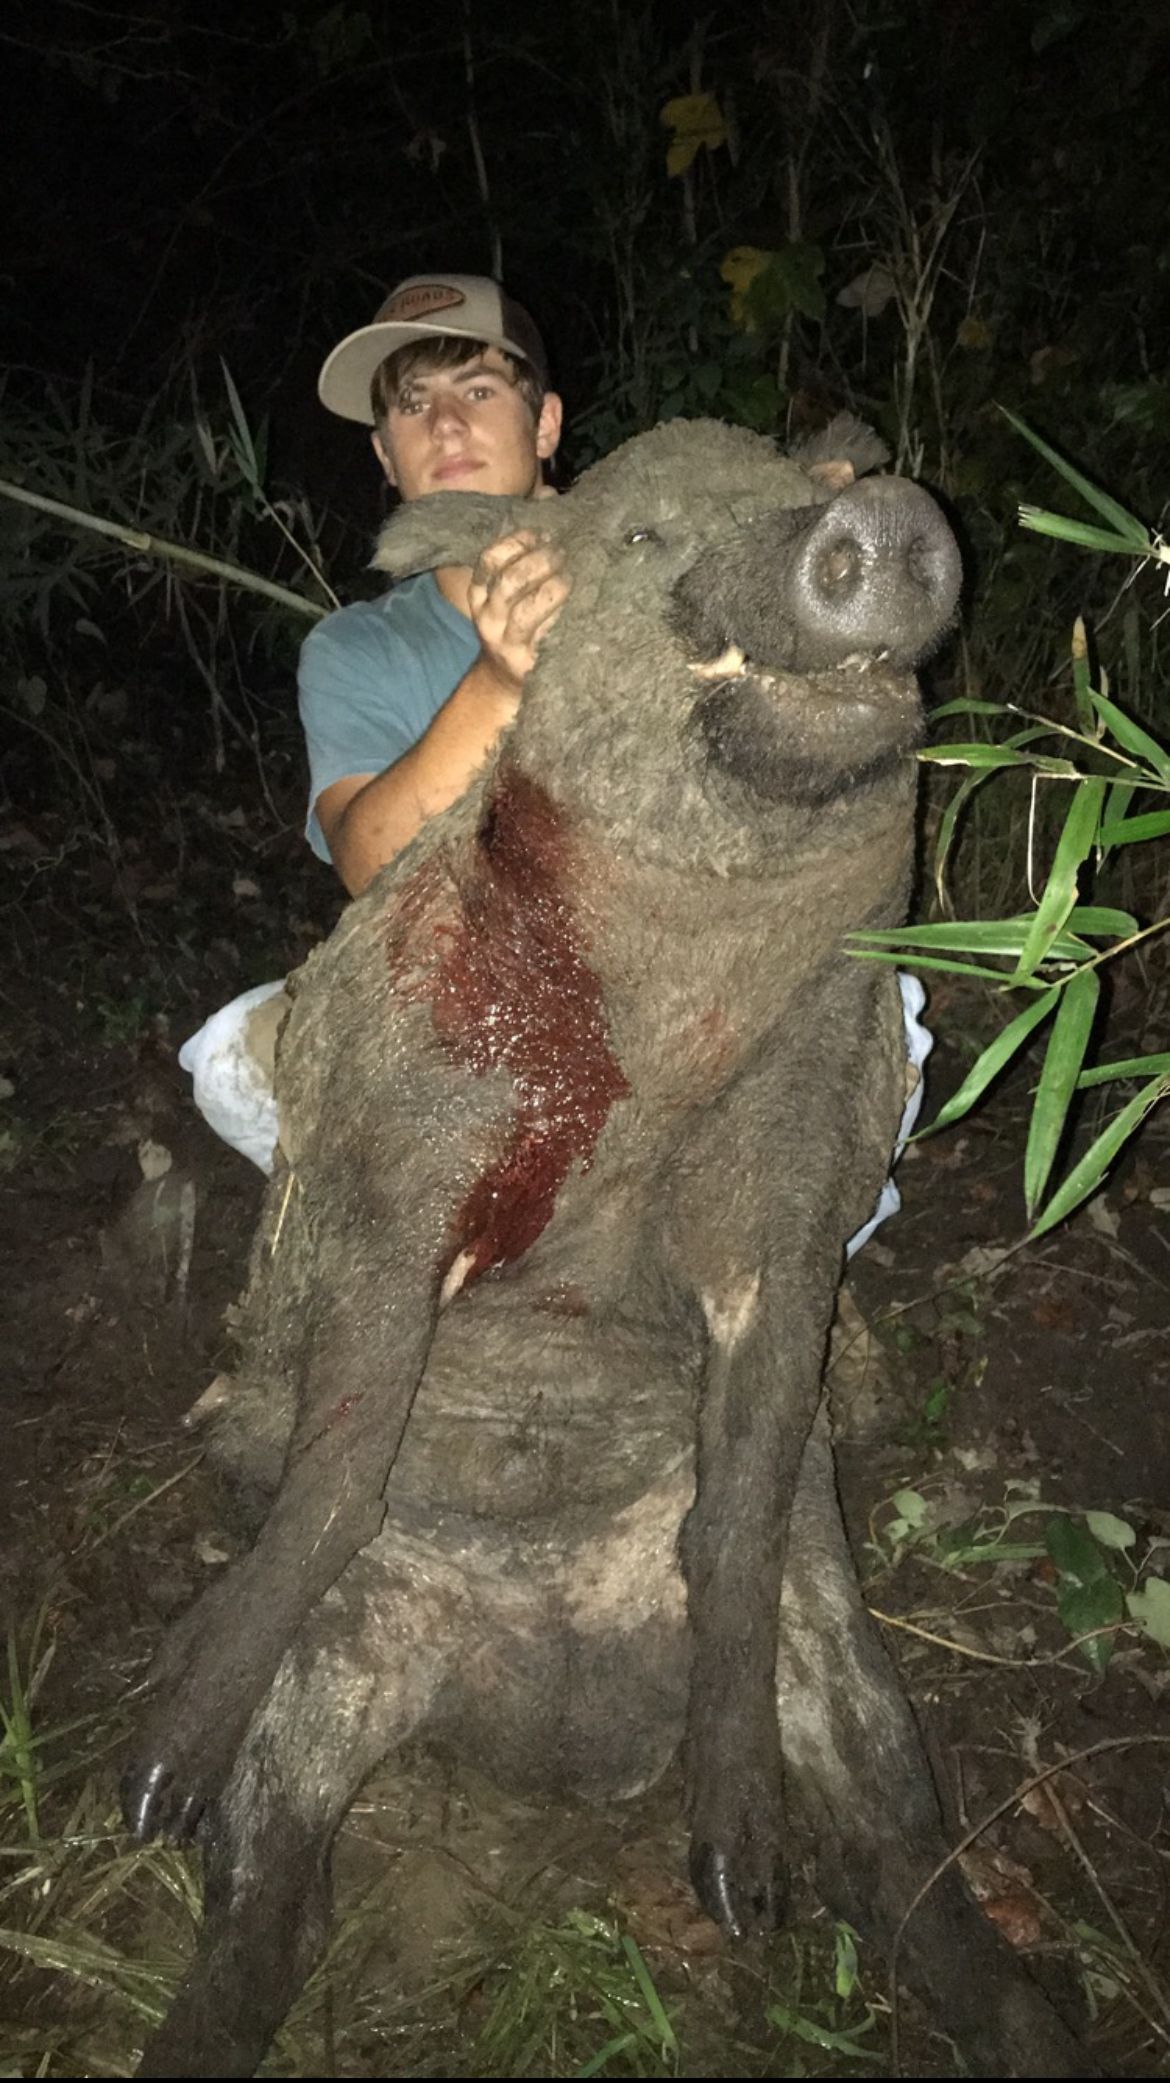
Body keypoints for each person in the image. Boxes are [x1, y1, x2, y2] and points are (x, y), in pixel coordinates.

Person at [179, 272, 931, 1244]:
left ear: (545, 425)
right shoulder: (357, 649)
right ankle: (488, 1267)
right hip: (484, 1012)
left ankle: (757, 1275)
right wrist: (498, 681)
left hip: (692, 984)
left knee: (889, 1015)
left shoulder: (665, 552)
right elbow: (371, 869)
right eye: (413, 405)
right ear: (383, 453)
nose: (445, 423)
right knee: (233, 1058)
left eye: (479, 390)